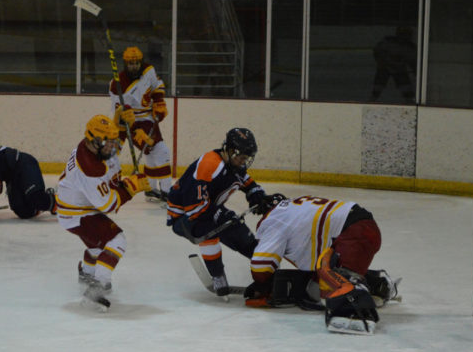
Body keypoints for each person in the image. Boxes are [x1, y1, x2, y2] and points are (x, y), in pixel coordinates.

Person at [244, 194, 400, 335]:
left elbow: (261, 266)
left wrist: (261, 283)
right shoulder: (295, 207)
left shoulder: (273, 220)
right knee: (314, 287)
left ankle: (355, 311)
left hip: (355, 233)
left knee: (330, 292)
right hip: (361, 227)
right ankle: (377, 283)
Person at [55, 115, 151, 310]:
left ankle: (87, 273)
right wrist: (130, 187)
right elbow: (108, 205)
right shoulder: (90, 170)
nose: (113, 147)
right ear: (95, 141)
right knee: (117, 241)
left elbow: (113, 146)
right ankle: (96, 287)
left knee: (98, 249)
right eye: (109, 142)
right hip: (78, 214)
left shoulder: (92, 147)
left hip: (76, 208)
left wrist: (125, 125)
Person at [166, 127, 265, 297]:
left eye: (246, 158)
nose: (244, 161)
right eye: (241, 157)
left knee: (240, 234)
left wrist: (256, 193)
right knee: (212, 229)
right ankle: (217, 275)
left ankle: (266, 270)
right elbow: (194, 208)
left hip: (207, 209)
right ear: (231, 151)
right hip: (184, 216)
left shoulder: (233, 163)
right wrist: (222, 215)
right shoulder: (210, 165)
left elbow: (245, 180)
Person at [109, 46, 172, 200]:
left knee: (155, 152)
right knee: (111, 154)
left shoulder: (148, 70)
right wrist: (134, 128)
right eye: (131, 63)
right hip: (128, 122)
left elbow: (157, 85)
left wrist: (158, 102)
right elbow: (118, 114)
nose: (134, 66)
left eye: (137, 63)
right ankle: (168, 193)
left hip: (147, 118)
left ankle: (153, 189)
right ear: (125, 64)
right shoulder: (117, 84)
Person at [370, 26, 416, 102]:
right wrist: (382, 62)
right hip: (385, 68)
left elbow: (413, 63)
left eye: (406, 34)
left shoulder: (410, 48)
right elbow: (377, 52)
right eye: (403, 34)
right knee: (377, 88)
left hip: (399, 70)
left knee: (406, 90)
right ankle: (372, 99)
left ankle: (410, 100)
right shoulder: (388, 42)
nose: (405, 37)